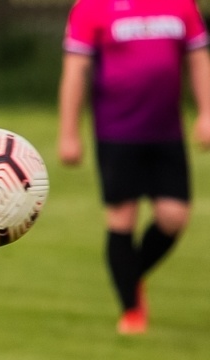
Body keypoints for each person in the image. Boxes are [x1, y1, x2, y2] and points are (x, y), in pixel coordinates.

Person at [59, 0, 210, 334]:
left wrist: (206, 111)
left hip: (166, 131)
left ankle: (130, 276)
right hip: (117, 133)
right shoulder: (91, 7)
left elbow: (198, 58)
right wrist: (69, 133)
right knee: (121, 219)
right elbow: (75, 70)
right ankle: (131, 310)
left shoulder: (181, 5)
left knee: (174, 217)